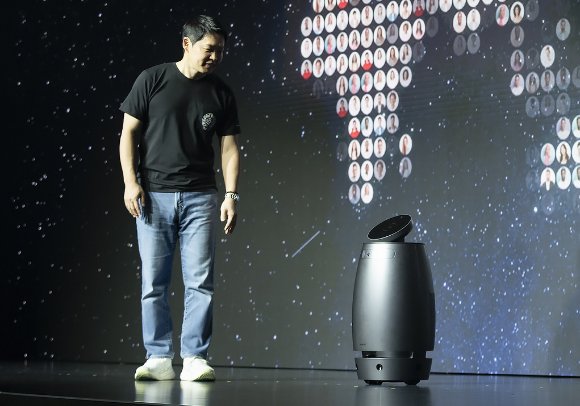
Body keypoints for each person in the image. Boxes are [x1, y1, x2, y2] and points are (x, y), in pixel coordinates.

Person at [119, 16, 241, 382]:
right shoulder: (152, 79)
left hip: (201, 198)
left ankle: (194, 358)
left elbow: (230, 149)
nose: (215, 57)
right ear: (187, 44)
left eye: (221, 51)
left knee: (200, 282)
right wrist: (130, 182)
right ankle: (158, 356)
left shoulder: (221, 93)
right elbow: (128, 133)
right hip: (153, 198)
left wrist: (231, 195)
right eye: (209, 49)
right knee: (153, 282)